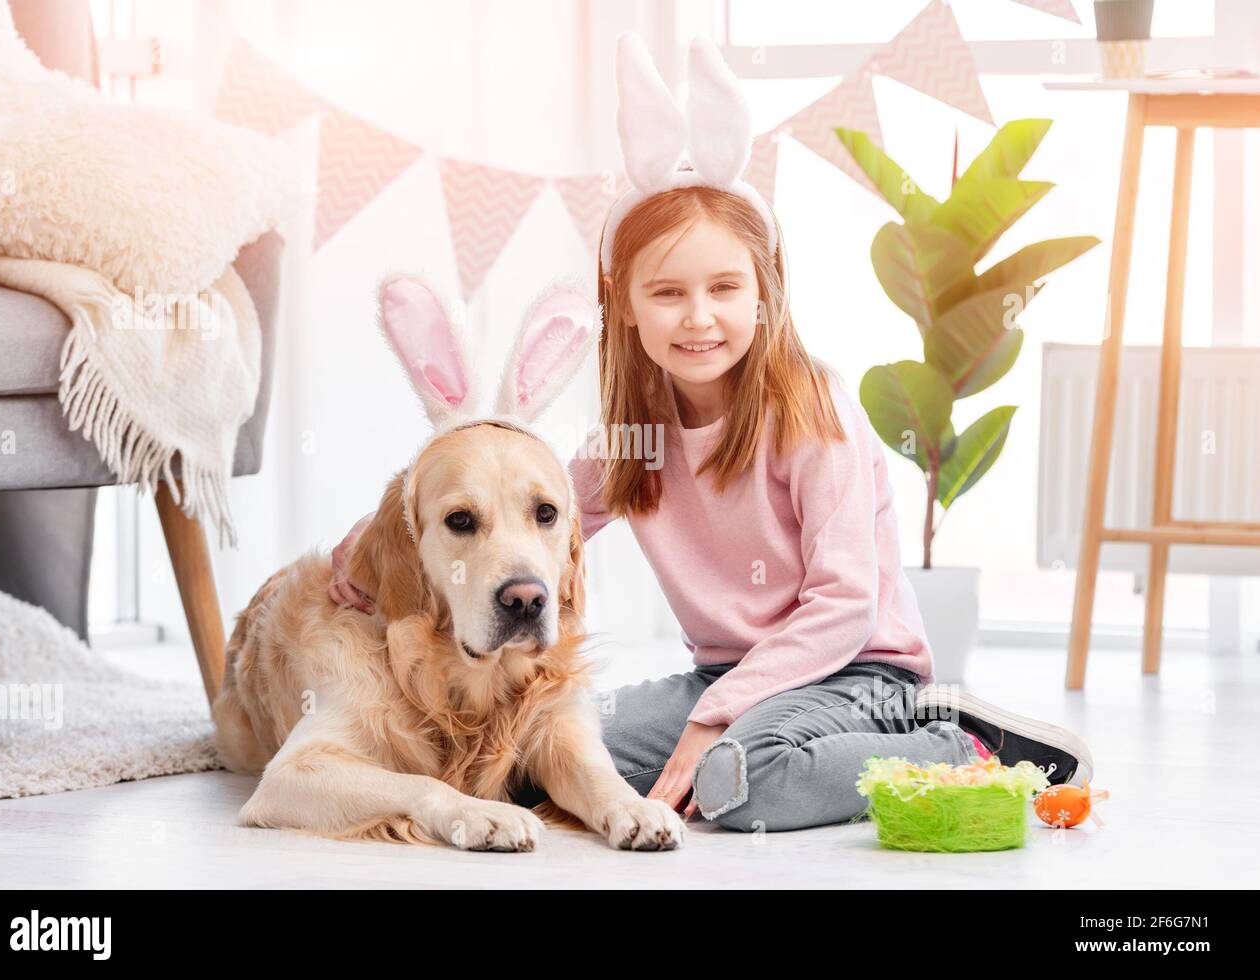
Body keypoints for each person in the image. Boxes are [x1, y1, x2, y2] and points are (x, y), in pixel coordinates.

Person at [327, 34, 1092, 833]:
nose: (699, 317)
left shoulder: (812, 411)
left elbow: (847, 605)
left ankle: (953, 744)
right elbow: (530, 509)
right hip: (728, 674)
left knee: (742, 781)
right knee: (529, 759)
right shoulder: (636, 435)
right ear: (622, 303)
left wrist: (711, 721)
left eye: (724, 287)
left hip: (856, 672)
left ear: (764, 293)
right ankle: (733, 740)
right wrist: (371, 553)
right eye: (668, 293)